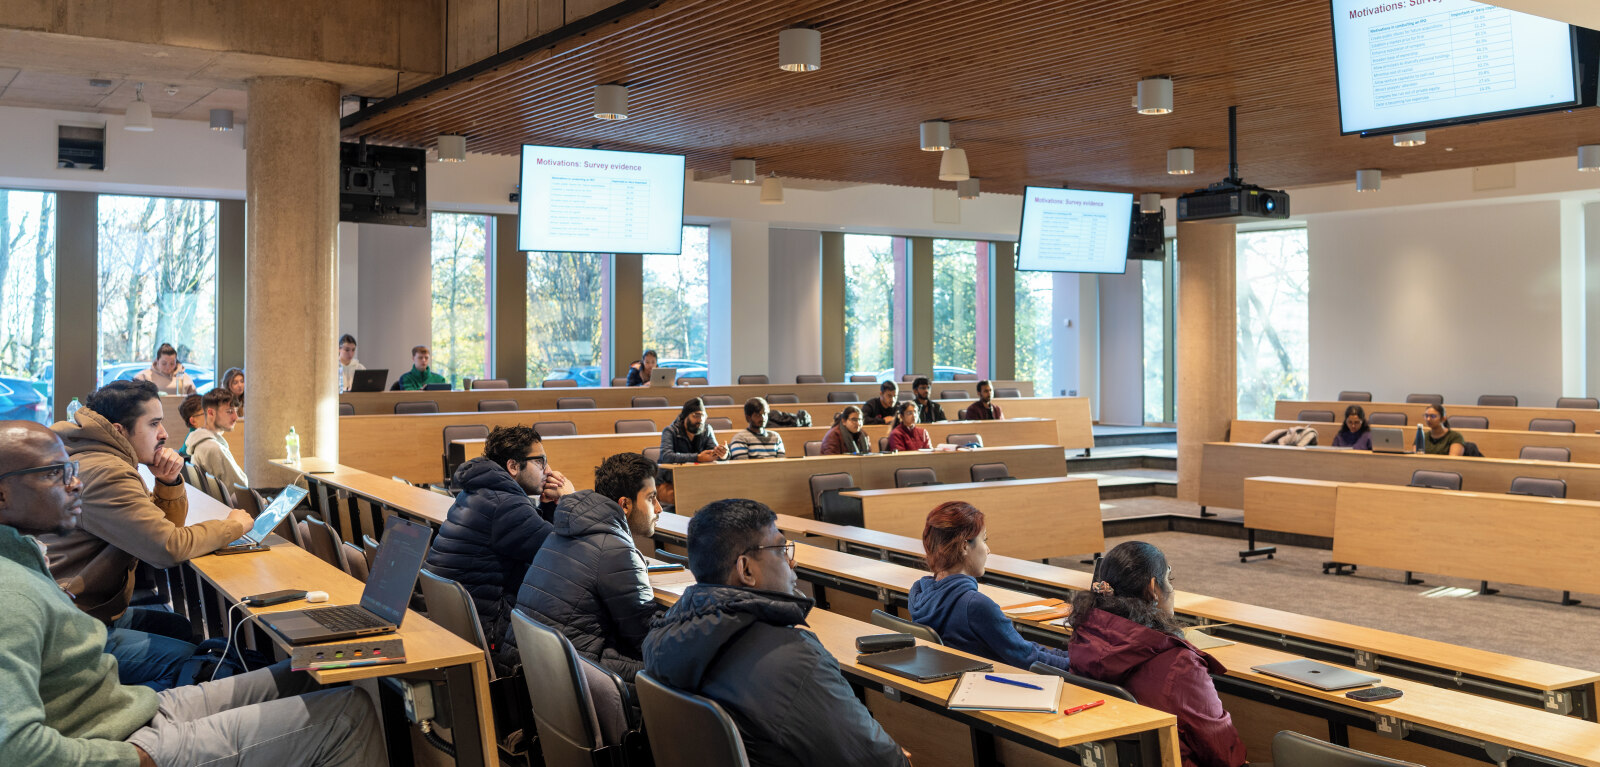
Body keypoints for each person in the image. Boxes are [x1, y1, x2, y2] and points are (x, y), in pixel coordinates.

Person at [0, 421, 388, 767]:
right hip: (120, 742)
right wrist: (135, 759)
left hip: (125, 711)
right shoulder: (11, 595)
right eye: (54, 473)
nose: (75, 483)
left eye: (70, 469)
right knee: (348, 714)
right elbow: (17, 751)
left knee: (307, 671)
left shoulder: (21, 553)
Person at [642, 498, 911, 767]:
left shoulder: (664, 634)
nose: (793, 563)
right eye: (782, 550)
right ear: (746, 569)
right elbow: (879, 761)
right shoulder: (794, 658)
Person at [42, 381, 253, 690]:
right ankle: (128, 712)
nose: (164, 433)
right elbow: (167, 548)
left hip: (76, 608)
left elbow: (160, 531)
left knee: (179, 627)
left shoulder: (95, 457)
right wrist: (233, 526)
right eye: (154, 424)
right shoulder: (107, 472)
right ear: (119, 430)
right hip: (68, 629)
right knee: (192, 662)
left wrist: (167, 483)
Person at [1067, 541, 1247, 767]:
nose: (1172, 589)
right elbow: (1225, 754)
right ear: (1153, 588)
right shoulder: (1181, 664)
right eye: (1169, 580)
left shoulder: (1085, 638)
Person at [425, 426, 575, 673]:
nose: (548, 470)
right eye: (540, 462)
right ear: (513, 466)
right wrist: (569, 501)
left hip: (459, 627)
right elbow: (564, 556)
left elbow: (539, 542)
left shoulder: (481, 492)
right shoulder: (506, 505)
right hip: (491, 636)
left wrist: (549, 508)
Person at [502, 452, 661, 679]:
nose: (659, 508)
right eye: (651, 498)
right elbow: (646, 638)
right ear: (625, 505)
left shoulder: (561, 531)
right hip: (572, 677)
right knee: (677, 671)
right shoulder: (615, 550)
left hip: (528, 672)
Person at [908, 501, 1070, 671]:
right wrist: (1079, 664)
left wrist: (1068, 656)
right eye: (984, 540)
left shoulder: (920, 593)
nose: (988, 550)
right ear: (964, 546)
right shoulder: (974, 605)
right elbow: (1028, 659)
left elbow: (1021, 648)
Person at [183, 388, 250, 492]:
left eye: (236, 411)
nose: (235, 417)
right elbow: (241, 489)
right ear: (211, 413)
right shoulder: (214, 448)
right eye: (229, 411)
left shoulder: (199, 442)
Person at [659, 398, 727, 464]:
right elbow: (666, 456)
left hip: (699, 471)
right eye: (696, 416)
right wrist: (697, 458)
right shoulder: (670, 431)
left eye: (703, 416)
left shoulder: (707, 430)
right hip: (673, 471)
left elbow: (713, 453)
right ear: (685, 416)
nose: (700, 420)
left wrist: (722, 454)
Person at [132, 343, 196, 395]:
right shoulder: (143, 376)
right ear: (157, 360)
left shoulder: (184, 378)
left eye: (172, 364)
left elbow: (194, 400)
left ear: (176, 362)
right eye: (164, 363)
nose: (168, 367)